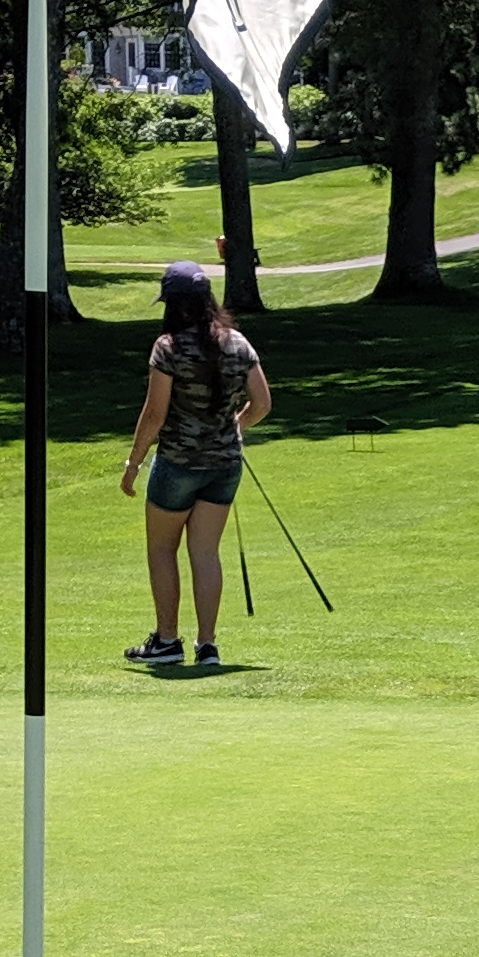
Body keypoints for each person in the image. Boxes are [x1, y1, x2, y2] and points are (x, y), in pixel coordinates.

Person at [119, 260, 271, 673]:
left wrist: (133, 462)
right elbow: (262, 404)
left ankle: (167, 640)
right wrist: (236, 426)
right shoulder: (238, 343)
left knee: (161, 549)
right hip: (224, 466)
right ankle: (207, 644)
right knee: (205, 552)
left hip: (178, 464)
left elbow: (154, 413)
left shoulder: (167, 347)